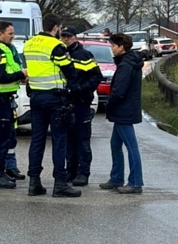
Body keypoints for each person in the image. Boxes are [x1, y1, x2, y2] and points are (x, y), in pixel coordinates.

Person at [23, 14, 81, 198]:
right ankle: (60, 183)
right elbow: (69, 71)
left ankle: (34, 183)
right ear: (56, 28)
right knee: (59, 141)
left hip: (36, 97)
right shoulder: (56, 46)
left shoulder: (29, 44)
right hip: (55, 99)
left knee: (37, 141)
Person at [0, 21, 29, 189]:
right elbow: (1, 76)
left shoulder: (6, 49)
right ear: (0, 34)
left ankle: (3, 171)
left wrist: (20, 75)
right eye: (10, 33)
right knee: (1, 137)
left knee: (7, 135)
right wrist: (21, 73)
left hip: (5, 98)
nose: (13, 36)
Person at [100, 33, 145, 194]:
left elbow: (119, 91)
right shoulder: (129, 62)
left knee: (131, 146)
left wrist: (109, 104)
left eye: (113, 45)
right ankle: (117, 178)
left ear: (121, 47)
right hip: (125, 110)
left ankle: (135, 182)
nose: (111, 48)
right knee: (115, 145)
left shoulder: (126, 65)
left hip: (123, 111)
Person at [60, 27, 104, 187]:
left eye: (68, 36)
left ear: (74, 37)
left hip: (81, 103)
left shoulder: (84, 55)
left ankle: (83, 173)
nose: (65, 39)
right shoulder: (60, 54)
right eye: (63, 36)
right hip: (66, 103)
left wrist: (81, 88)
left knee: (82, 140)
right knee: (68, 140)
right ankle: (70, 171)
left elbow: (97, 76)